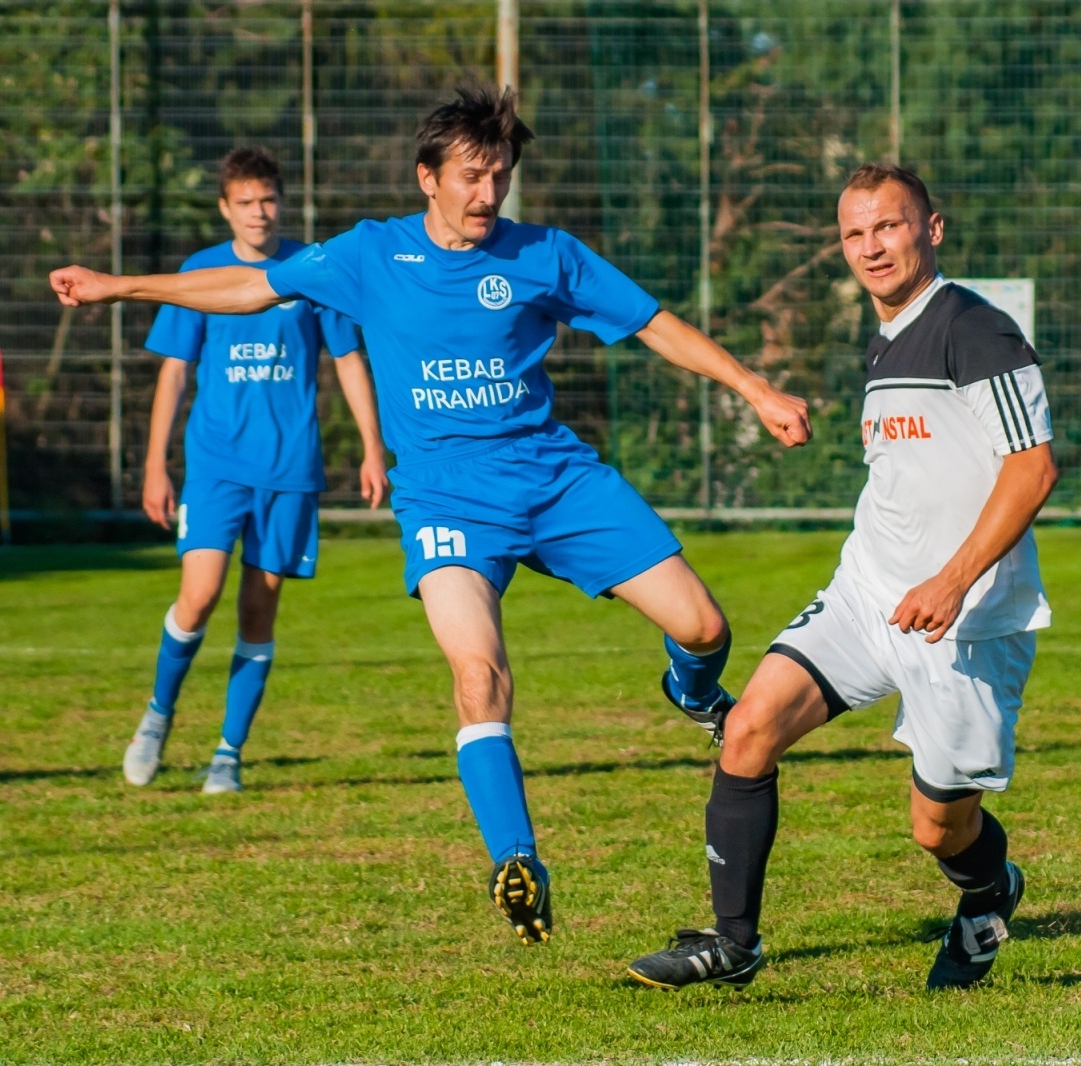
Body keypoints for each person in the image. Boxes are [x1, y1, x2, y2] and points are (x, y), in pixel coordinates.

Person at [51, 84, 811, 945]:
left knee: (705, 624)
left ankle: (693, 690)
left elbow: (653, 324)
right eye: (472, 177)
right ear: (427, 178)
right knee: (477, 676)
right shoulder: (370, 256)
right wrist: (120, 286)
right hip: (446, 497)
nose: (489, 195)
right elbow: (251, 287)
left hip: (556, 479)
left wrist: (754, 388)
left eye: (501, 177)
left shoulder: (545, 254)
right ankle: (517, 861)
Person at [626, 163, 1058, 992]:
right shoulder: (884, 341)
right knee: (749, 728)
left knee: (939, 829)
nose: (872, 246)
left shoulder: (976, 330)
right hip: (868, 593)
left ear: (931, 229)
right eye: (856, 233)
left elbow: (1032, 470)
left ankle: (990, 891)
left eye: (889, 226)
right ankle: (734, 942)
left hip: (963, 623)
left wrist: (953, 580)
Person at [121, 147, 387, 796]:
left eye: (268, 200)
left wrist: (374, 449)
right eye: (245, 202)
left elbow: (348, 361)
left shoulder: (310, 270)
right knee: (199, 593)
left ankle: (228, 754)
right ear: (225, 209)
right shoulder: (199, 274)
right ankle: (159, 713)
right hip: (215, 465)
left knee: (257, 610)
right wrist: (156, 463)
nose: (259, 212)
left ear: (281, 202)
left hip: (289, 467)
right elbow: (175, 370)